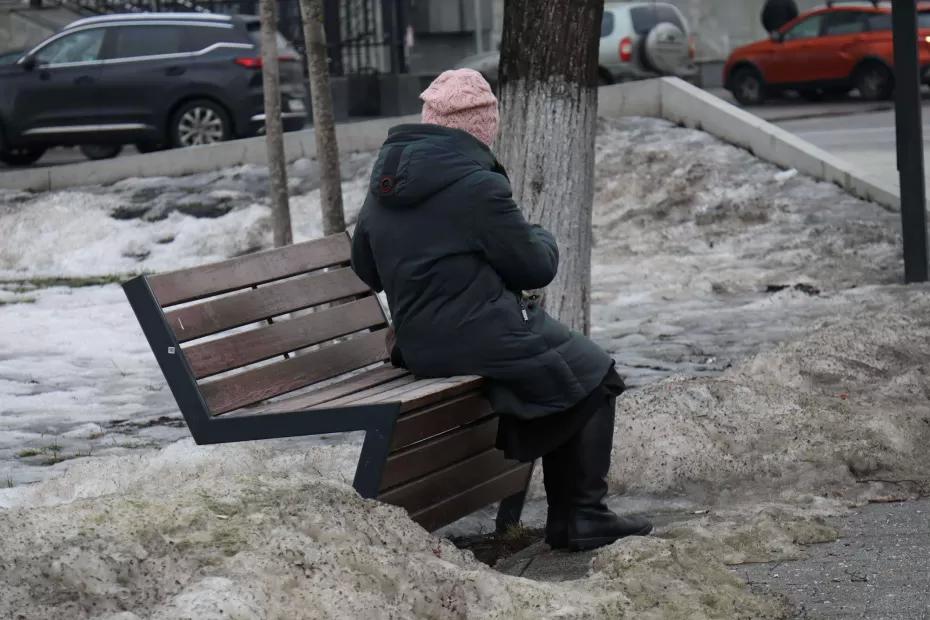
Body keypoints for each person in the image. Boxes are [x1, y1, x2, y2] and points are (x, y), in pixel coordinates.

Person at [350, 68, 652, 552]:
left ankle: (576, 516)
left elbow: (366, 267)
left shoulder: (385, 183)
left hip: (418, 344)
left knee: (569, 372)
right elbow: (534, 267)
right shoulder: (475, 185)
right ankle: (582, 516)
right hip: (480, 334)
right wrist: (543, 237)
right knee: (598, 375)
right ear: (481, 127)